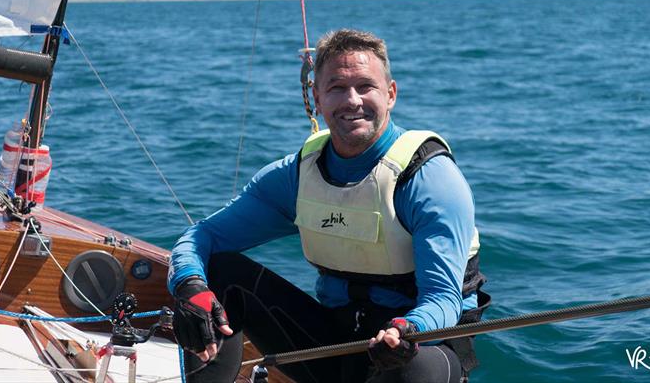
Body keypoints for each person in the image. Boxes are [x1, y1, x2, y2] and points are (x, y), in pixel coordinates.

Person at [169, 29, 488, 383]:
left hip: (415, 348)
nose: (352, 100)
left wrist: (406, 328)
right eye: (336, 88)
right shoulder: (295, 176)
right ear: (317, 99)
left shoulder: (429, 179)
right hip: (333, 344)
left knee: (409, 368)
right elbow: (203, 235)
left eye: (365, 86)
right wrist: (188, 286)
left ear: (391, 94)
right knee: (216, 273)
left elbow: (444, 299)